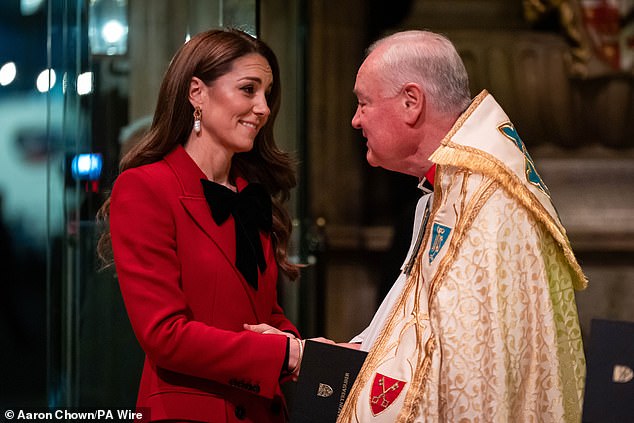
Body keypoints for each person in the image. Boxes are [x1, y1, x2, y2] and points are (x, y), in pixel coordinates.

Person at [337, 30, 587, 422]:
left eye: (363, 102)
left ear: (411, 102)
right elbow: (418, 335)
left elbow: (470, 379)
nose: (355, 119)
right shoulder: (451, 190)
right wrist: (327, 357)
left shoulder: (488, 206)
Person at [97, 28, 306, 422]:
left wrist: (303, 346)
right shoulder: (145, 187)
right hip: (188, 411)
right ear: (197, 93)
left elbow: (266, 316)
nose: (263, 107)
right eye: (248, 89)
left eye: (267, 93)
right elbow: (164, 335)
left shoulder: (250, 195)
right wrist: (285, 353)